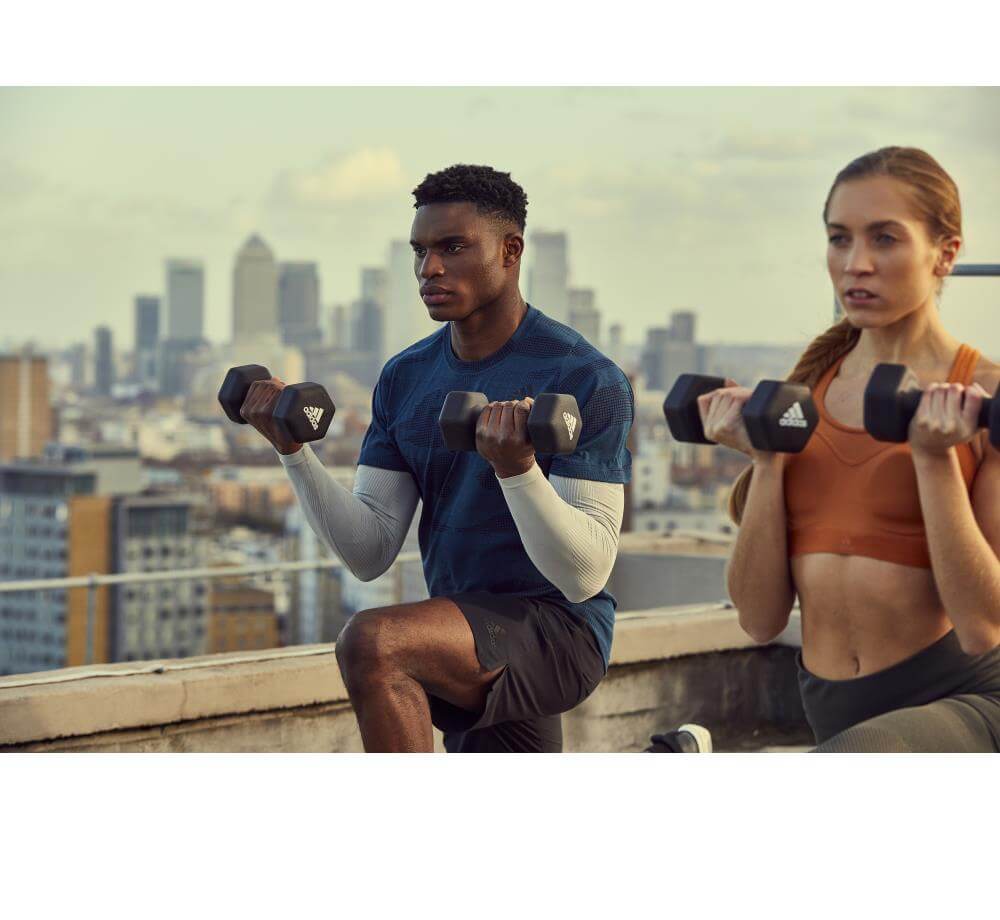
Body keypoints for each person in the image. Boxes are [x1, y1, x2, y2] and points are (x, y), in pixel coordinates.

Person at [241, 163, 634, 752]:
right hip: (459, 626)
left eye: (452, 247)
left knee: (374, 643)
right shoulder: (406, 376)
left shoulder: (585, 376)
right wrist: (293, 451)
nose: (430, 269)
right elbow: (370, 549)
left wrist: (517, 469)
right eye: (419, 251)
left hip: (557, 631)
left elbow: (584, 576)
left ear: (510, 250)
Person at [707, 146, 1000, 752]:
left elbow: (983, 627)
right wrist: (768, 460)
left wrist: (932, 457)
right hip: (835, 711)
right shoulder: (802, 394)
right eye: (840, 239)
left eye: (885, 239)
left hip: (969, 698)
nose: (856, 263)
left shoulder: (984, 395)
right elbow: (759, 620)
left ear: (945, 253)